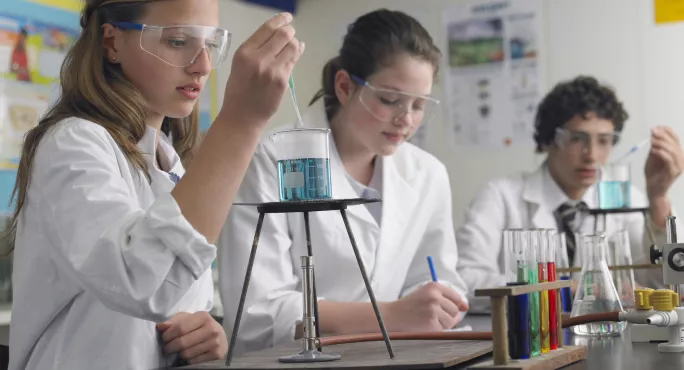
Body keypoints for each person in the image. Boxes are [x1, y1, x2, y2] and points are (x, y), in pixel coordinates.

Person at [5, 0, 303, 368]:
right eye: (178, 42)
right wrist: (241, 120)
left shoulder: (169, 161)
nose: (203, 65)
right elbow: (141, 281)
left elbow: (172, 296)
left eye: (210, 44)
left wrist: (205, 334)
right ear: (111, 43)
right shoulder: (72, 143)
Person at [219, 9, 470, 353]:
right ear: (345, 86)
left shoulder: (428, 174)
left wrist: (437, 303)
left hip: (396, 356)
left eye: (419, 105)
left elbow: (436, 277)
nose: (406, 120)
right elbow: (256, 314)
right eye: (391, 100)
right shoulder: (272, 158)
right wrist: (392, 315)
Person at [456, 76, 684, 309]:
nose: (592, 155)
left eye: (604, 141)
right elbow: (466, 280)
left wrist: (658, 197)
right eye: (577, 139)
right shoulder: (500, 197)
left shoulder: (628, 200)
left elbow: (666, 283)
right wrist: (563, 290)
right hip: (526, 339)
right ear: (547, 140)